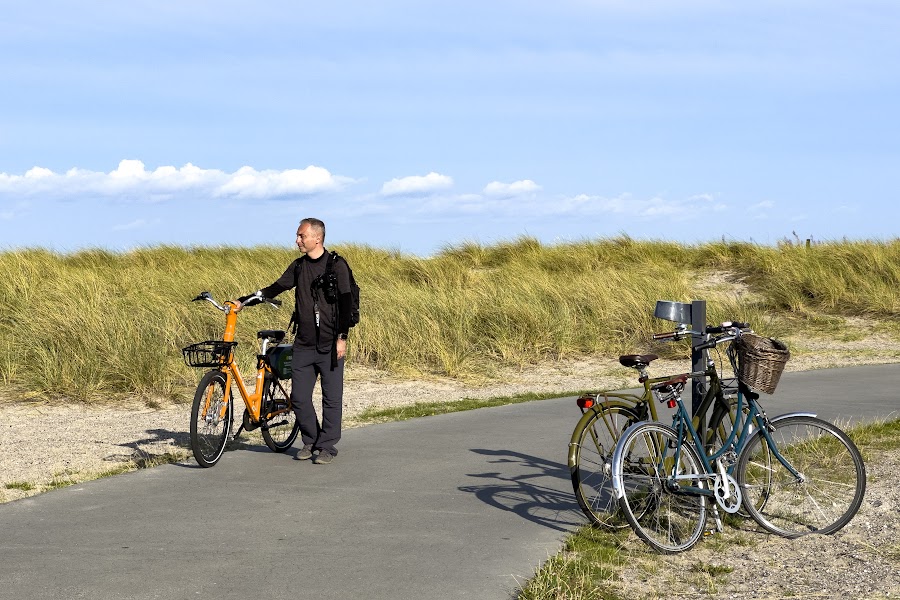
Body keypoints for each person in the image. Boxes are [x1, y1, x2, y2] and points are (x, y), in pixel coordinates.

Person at [234, 217, 353, 465]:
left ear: (316, 238)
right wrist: (243, 301)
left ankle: (327, 446)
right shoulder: (298, 267)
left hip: (330, 344)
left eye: (301, 236)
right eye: (298, 236)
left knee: (331, 399)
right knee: (298, 397)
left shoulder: (337, 265)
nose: (297, 240)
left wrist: (342, 338)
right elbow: (274, 288)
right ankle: (311, 440)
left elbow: (346, 302)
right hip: (304, 344)